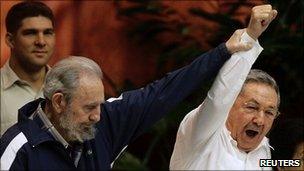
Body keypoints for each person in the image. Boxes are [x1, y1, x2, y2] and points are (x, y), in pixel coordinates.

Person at [0, 21, 253, 170]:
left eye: (99, 105)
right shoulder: (18, 150)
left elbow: (163, 92)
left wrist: (223, 51)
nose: (97, 116)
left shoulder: (106, 121)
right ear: (58, 102)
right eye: (88, 107)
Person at [170, 5, 278, 170]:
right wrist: (250, 37)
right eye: (252, 107)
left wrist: (297, 162)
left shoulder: (263, 151)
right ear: (230, 104)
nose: (260, 120)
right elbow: (219, 98)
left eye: (269, 112)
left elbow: (281, 164)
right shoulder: (203, 137)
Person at [1, 1, 55, 135]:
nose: (41, 42)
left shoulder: (69, 88)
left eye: (47, 33)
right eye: (31, 33)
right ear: (10, 40)